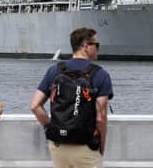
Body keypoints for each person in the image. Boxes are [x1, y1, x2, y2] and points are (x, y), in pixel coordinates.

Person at [30, 27, 114, 168]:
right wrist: (102, 144)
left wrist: (51, 127)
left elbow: (35, 106)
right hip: (85, 146)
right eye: (96, 45)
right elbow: (101, 117)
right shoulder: (100, 74)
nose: (98, 49)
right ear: (85, 46)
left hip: (58, 146)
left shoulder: (55, 70)